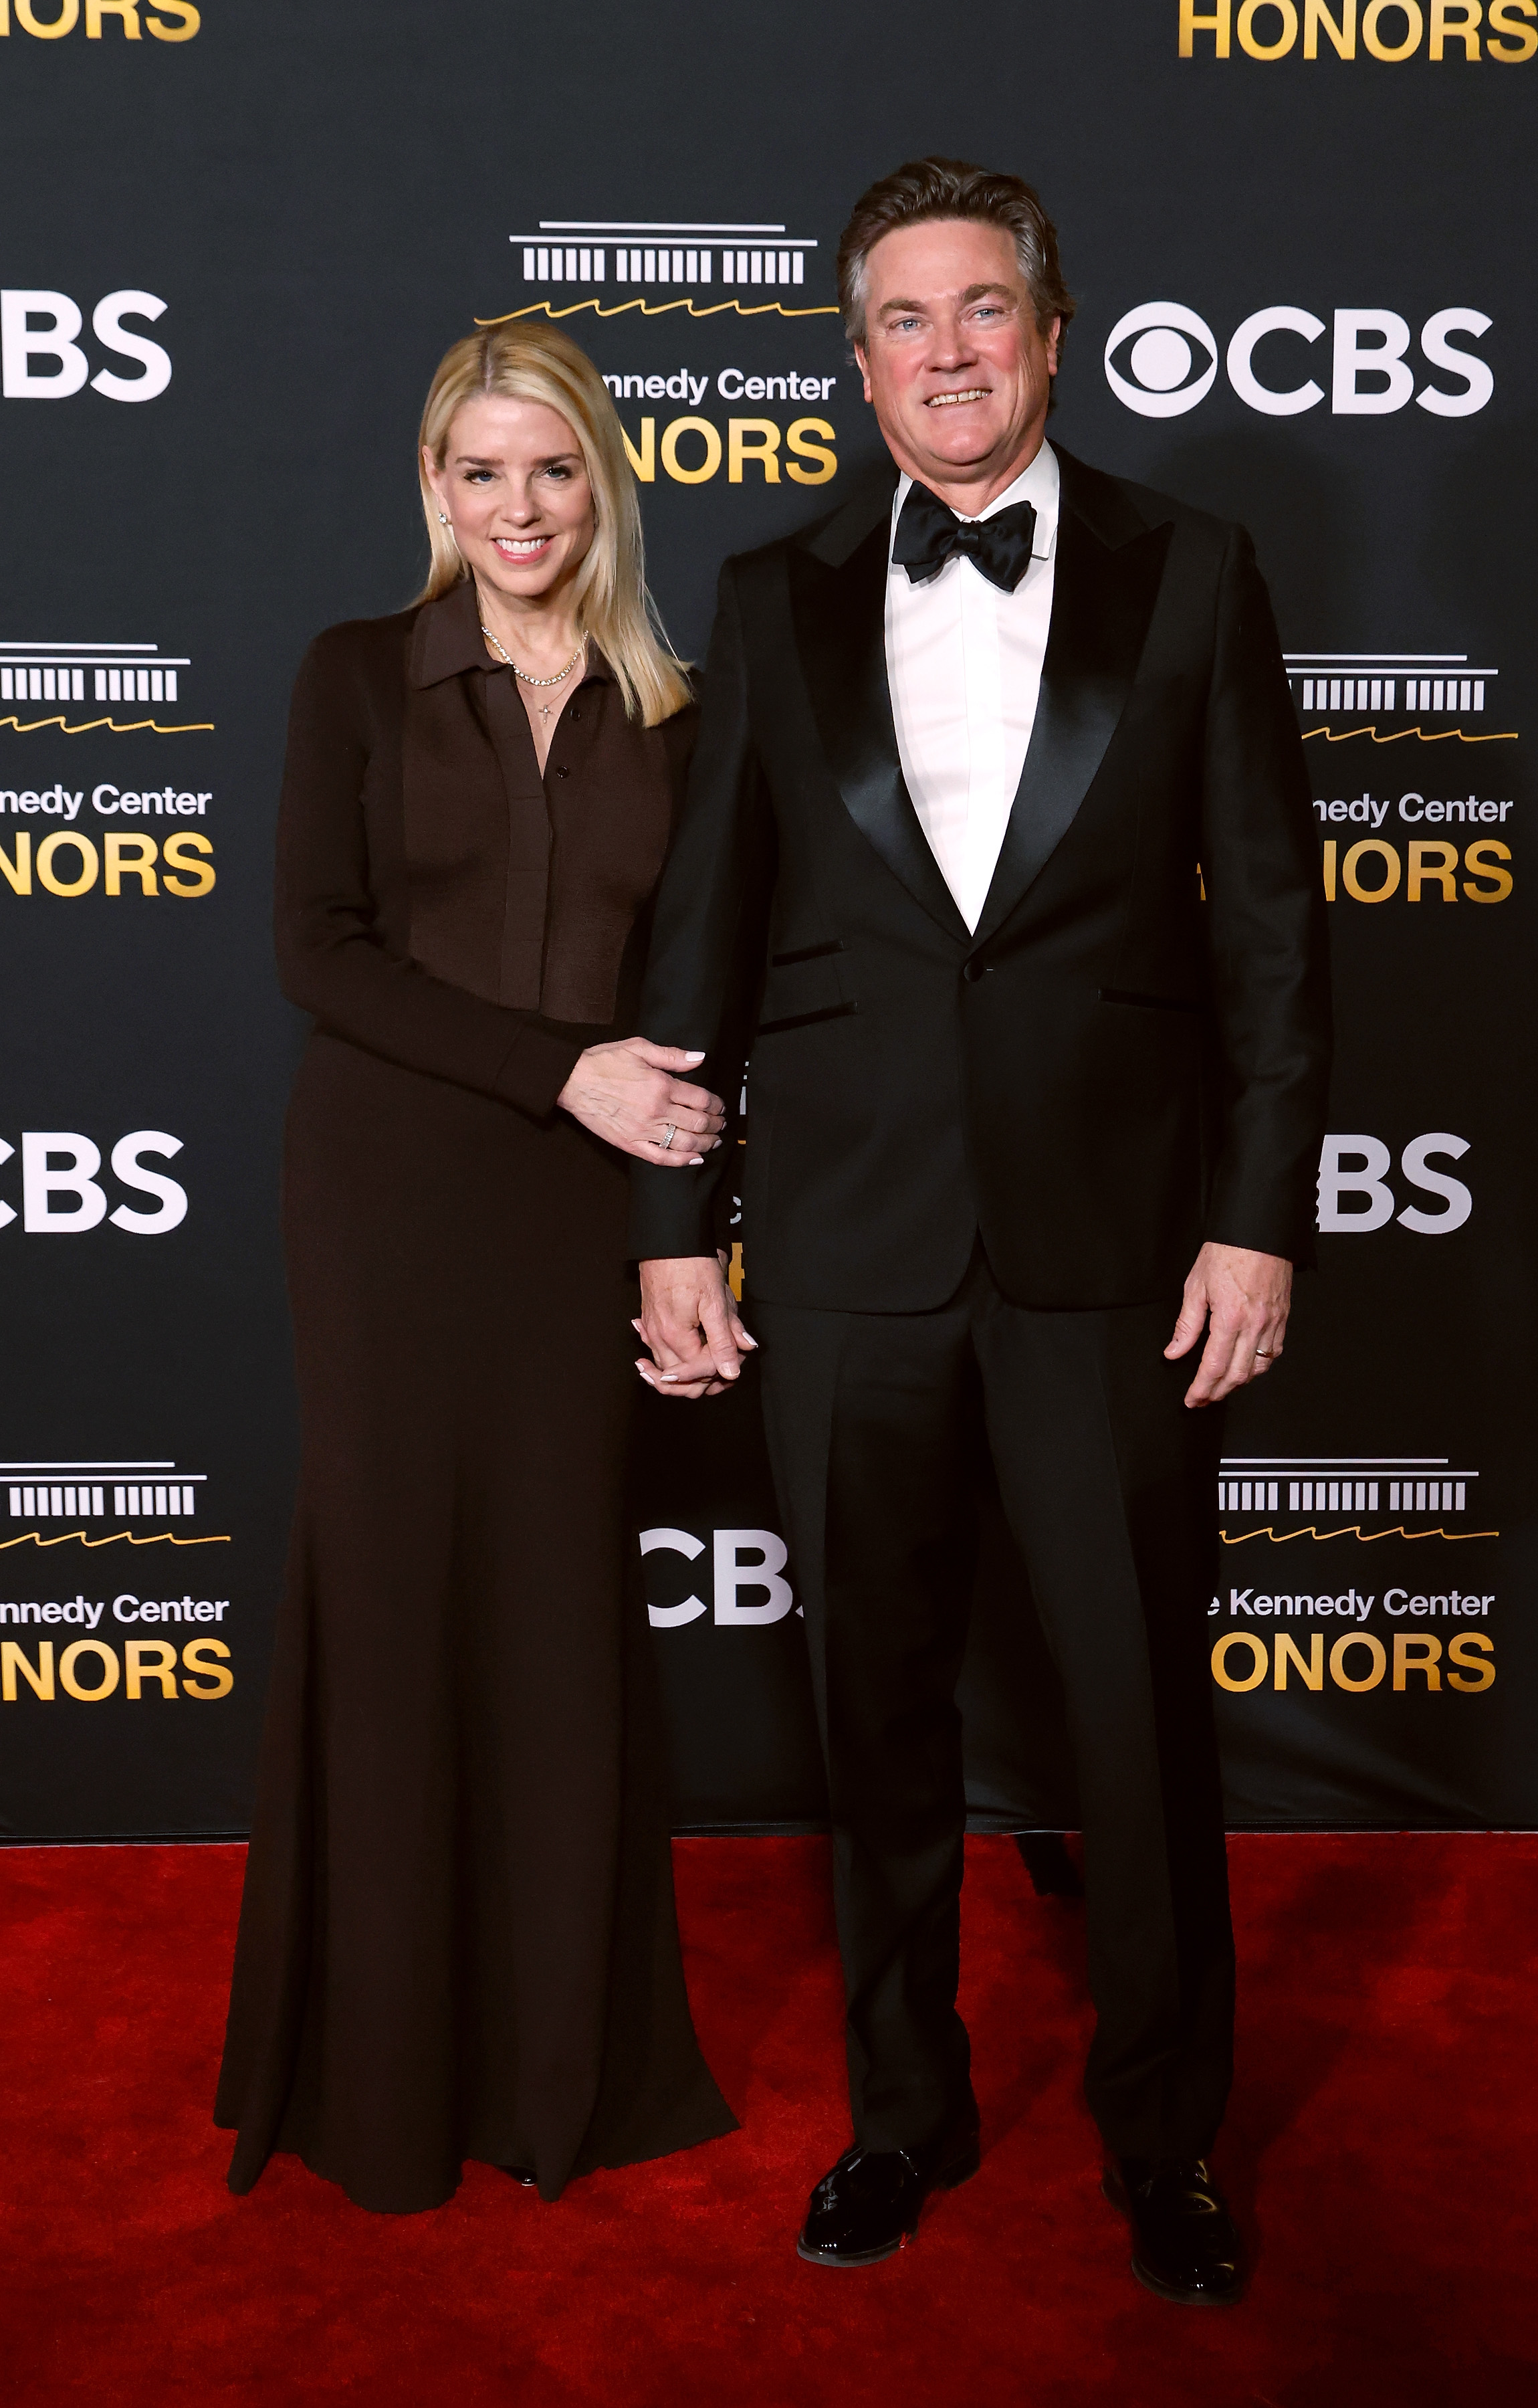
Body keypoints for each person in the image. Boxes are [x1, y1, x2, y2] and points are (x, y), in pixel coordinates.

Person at [628, 159, 1330, 2302]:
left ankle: (1163, 2139)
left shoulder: (1191, 572)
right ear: (855, 364)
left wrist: (1255, 1220)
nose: (947, 354)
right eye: (904, 322)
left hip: (1115, 1250)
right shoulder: (768, 595)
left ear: (1053, 328)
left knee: (1138, 1725)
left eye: (984, 311)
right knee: (880, 1728)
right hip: (840, 1253)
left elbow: (1276, 942)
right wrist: (680, 1222)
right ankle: (902, 2115)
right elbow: (703, 937)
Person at [215, 321, 735, 2215]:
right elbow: (317, 950)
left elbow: (703, 999)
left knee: (555, 1616)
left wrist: (685, 1225)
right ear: (433, 486)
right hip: (383, 1202)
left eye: (554, 469)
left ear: (604, 483)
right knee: (396, 1601)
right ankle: (376, 2074)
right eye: (480, 470)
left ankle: (557, 2067)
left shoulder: (682, 708)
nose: (518, 507)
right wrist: (563, 1073)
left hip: (585, 1215)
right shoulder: (355, 675)